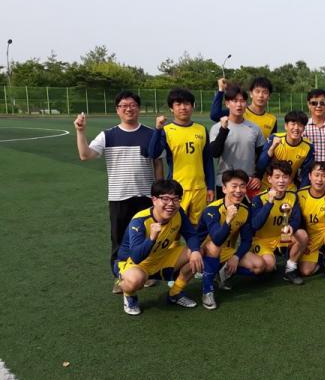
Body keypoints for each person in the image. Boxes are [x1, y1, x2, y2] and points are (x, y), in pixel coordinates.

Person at [73, 90, 164, 293]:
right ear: (117, 110)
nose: (128, 109)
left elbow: (158, 163)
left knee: (147, 235)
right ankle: (120, 277)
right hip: (119, 196)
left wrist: (159, 191)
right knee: (119, 239)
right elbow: (85, 155)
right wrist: (80, 131)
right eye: (124, 106)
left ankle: (146, 274)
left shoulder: (151, 134)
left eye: (132, 105)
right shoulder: (108, 135)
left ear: (138, 108)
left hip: (145, 196)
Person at [113, 179, 204, 315]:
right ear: (154, 200)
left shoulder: (178, 213)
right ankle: (128, 293)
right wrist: (151, 238)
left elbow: (191, 234)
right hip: (135, 264)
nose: (171, 204)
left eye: (175, 199)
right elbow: (136, 257)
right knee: (135, 280)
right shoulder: (140, 221)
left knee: (198, 251)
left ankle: (175, 293)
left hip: (160, 258)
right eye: (165, 199)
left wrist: (195, 251)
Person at [196, 169, 265, 310]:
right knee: (214, 246)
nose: (238, 190)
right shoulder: (212, 210)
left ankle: (220, 273)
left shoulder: (244, 210)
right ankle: (207, 290)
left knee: (260, 265)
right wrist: (228, 220)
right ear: (224, 188)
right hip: (203, 251)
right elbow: (217, 239)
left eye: (242, 186)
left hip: (226, 251)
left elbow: (247, 240)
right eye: (234, 186)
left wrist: (236, 256)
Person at [148, 88, 215, 225]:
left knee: (198, 228)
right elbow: (153, 153)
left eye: (187, 104)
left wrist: (210, 187)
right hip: (176, 190)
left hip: (200, 189)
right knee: (174, 227)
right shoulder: (166, 130)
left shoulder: (201, 129)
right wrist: (158, 130)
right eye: (178, 104)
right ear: (171, 108)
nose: (183, 108)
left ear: (193, 106)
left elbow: (207, 160)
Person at [250, 160, 308, 285]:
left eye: (285, 177)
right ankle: (265, 258)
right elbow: (255, 225)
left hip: (282, 237)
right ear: (269, 179)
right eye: (277, 177)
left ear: (289, 179)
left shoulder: (293, 196)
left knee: (302, 235)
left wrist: (292, 227)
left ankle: (290, 269)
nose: (281, 181)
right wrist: (269, 203)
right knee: (268, 266)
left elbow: (296, 219)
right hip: (262, 240)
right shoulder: (259, 198)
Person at [208, 83, 265, 199]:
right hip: (225, 183)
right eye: (235, 101)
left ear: (246, 104)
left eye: (242, 101)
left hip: (248, 183)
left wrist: (258, 176)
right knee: (226, 211)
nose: (239, 104)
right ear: (227, 103)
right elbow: (214, 153)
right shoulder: (217, 128)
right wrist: (223, 130)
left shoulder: (254, 128)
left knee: (249, 211)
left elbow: (262, 156)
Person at [295, 161, 325, 283]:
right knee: (305, 271)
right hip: (310, 236)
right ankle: (322, 256)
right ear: (310, 176)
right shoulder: (300, 194)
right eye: (316, 175)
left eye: (324, 176)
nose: (319, 179)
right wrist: (303, 240)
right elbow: (296, 221)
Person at [257, 111, 314, 191]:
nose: (296, 128)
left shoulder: (308, 147)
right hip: (267, 186)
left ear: (304, 128)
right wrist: (272, 148)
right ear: (286, 126)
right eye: (293, 124)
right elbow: (260, 165)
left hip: (289, 187)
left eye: (300, 125)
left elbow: (306, 173)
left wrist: (302, 191)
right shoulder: (274, 138)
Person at [211, 77, 278, 140]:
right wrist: (221, 90)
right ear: (251, 94)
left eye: (265, 92)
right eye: (257, 91)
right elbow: (215, 115)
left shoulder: (272, 120)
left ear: (269, 96)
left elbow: (271, 142)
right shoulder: (239, 111)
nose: (261, 95)